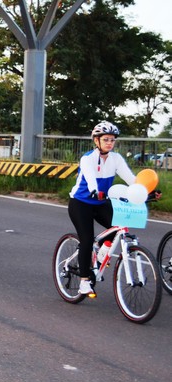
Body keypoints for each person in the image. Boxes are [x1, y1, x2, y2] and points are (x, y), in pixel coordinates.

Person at [68, 121, 139, 297]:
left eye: (112, 140)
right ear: (97, 141)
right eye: (106, 139)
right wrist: (94, 190)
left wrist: (146, 190)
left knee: (119, 227)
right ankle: (84, 281)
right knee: (86, 240)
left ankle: (101, 254)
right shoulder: (87, 158)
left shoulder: (116, 159)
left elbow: (132, 179)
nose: (109, 142)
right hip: (81, 203)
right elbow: (91, 179)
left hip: (101, 202)